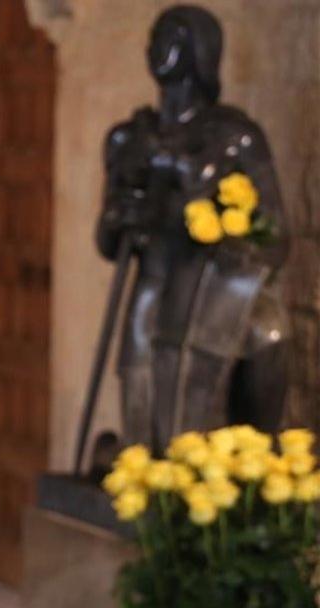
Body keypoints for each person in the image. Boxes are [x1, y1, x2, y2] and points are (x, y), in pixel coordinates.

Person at [95, 4, 289, 453]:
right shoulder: (128, 138)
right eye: (154, 38)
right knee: (149, 441)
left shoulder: (234, 137)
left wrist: (217, 220)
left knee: (266, 335)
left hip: (214, 291)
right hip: (153, 288)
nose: (156, 48)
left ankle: (255, 464)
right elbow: (107, 241)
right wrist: (121, 216)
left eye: (171, 38)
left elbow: (276, 236)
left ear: (200, 51)